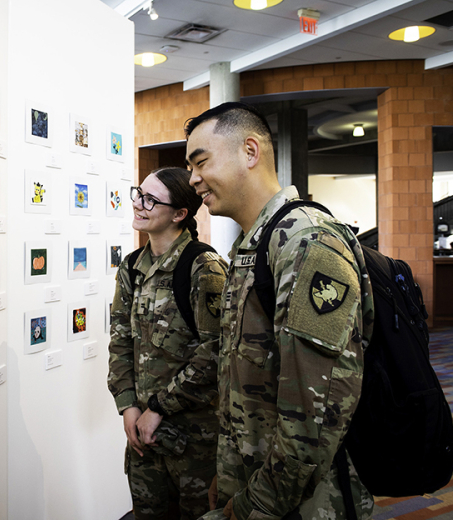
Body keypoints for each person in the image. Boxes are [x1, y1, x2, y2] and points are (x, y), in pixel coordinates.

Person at [184, 102, 374, 520]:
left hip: (300, 503)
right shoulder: (254, 245)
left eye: (201, 162)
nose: (193, 178)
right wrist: (229, 472)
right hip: (255, 486)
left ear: (249, 152)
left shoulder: (306, 242)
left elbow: (315, 414)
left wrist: (255, 504)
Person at [108, 167, 228, 519]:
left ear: (179, 214)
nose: (138, 205)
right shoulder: (131, 268)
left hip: (195, 441)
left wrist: (158, 408)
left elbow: (215, 351)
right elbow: (119, 341)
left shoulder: (204, 268)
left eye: (150, 200)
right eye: (138, 194)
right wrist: (128, 405)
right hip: (144, 440)